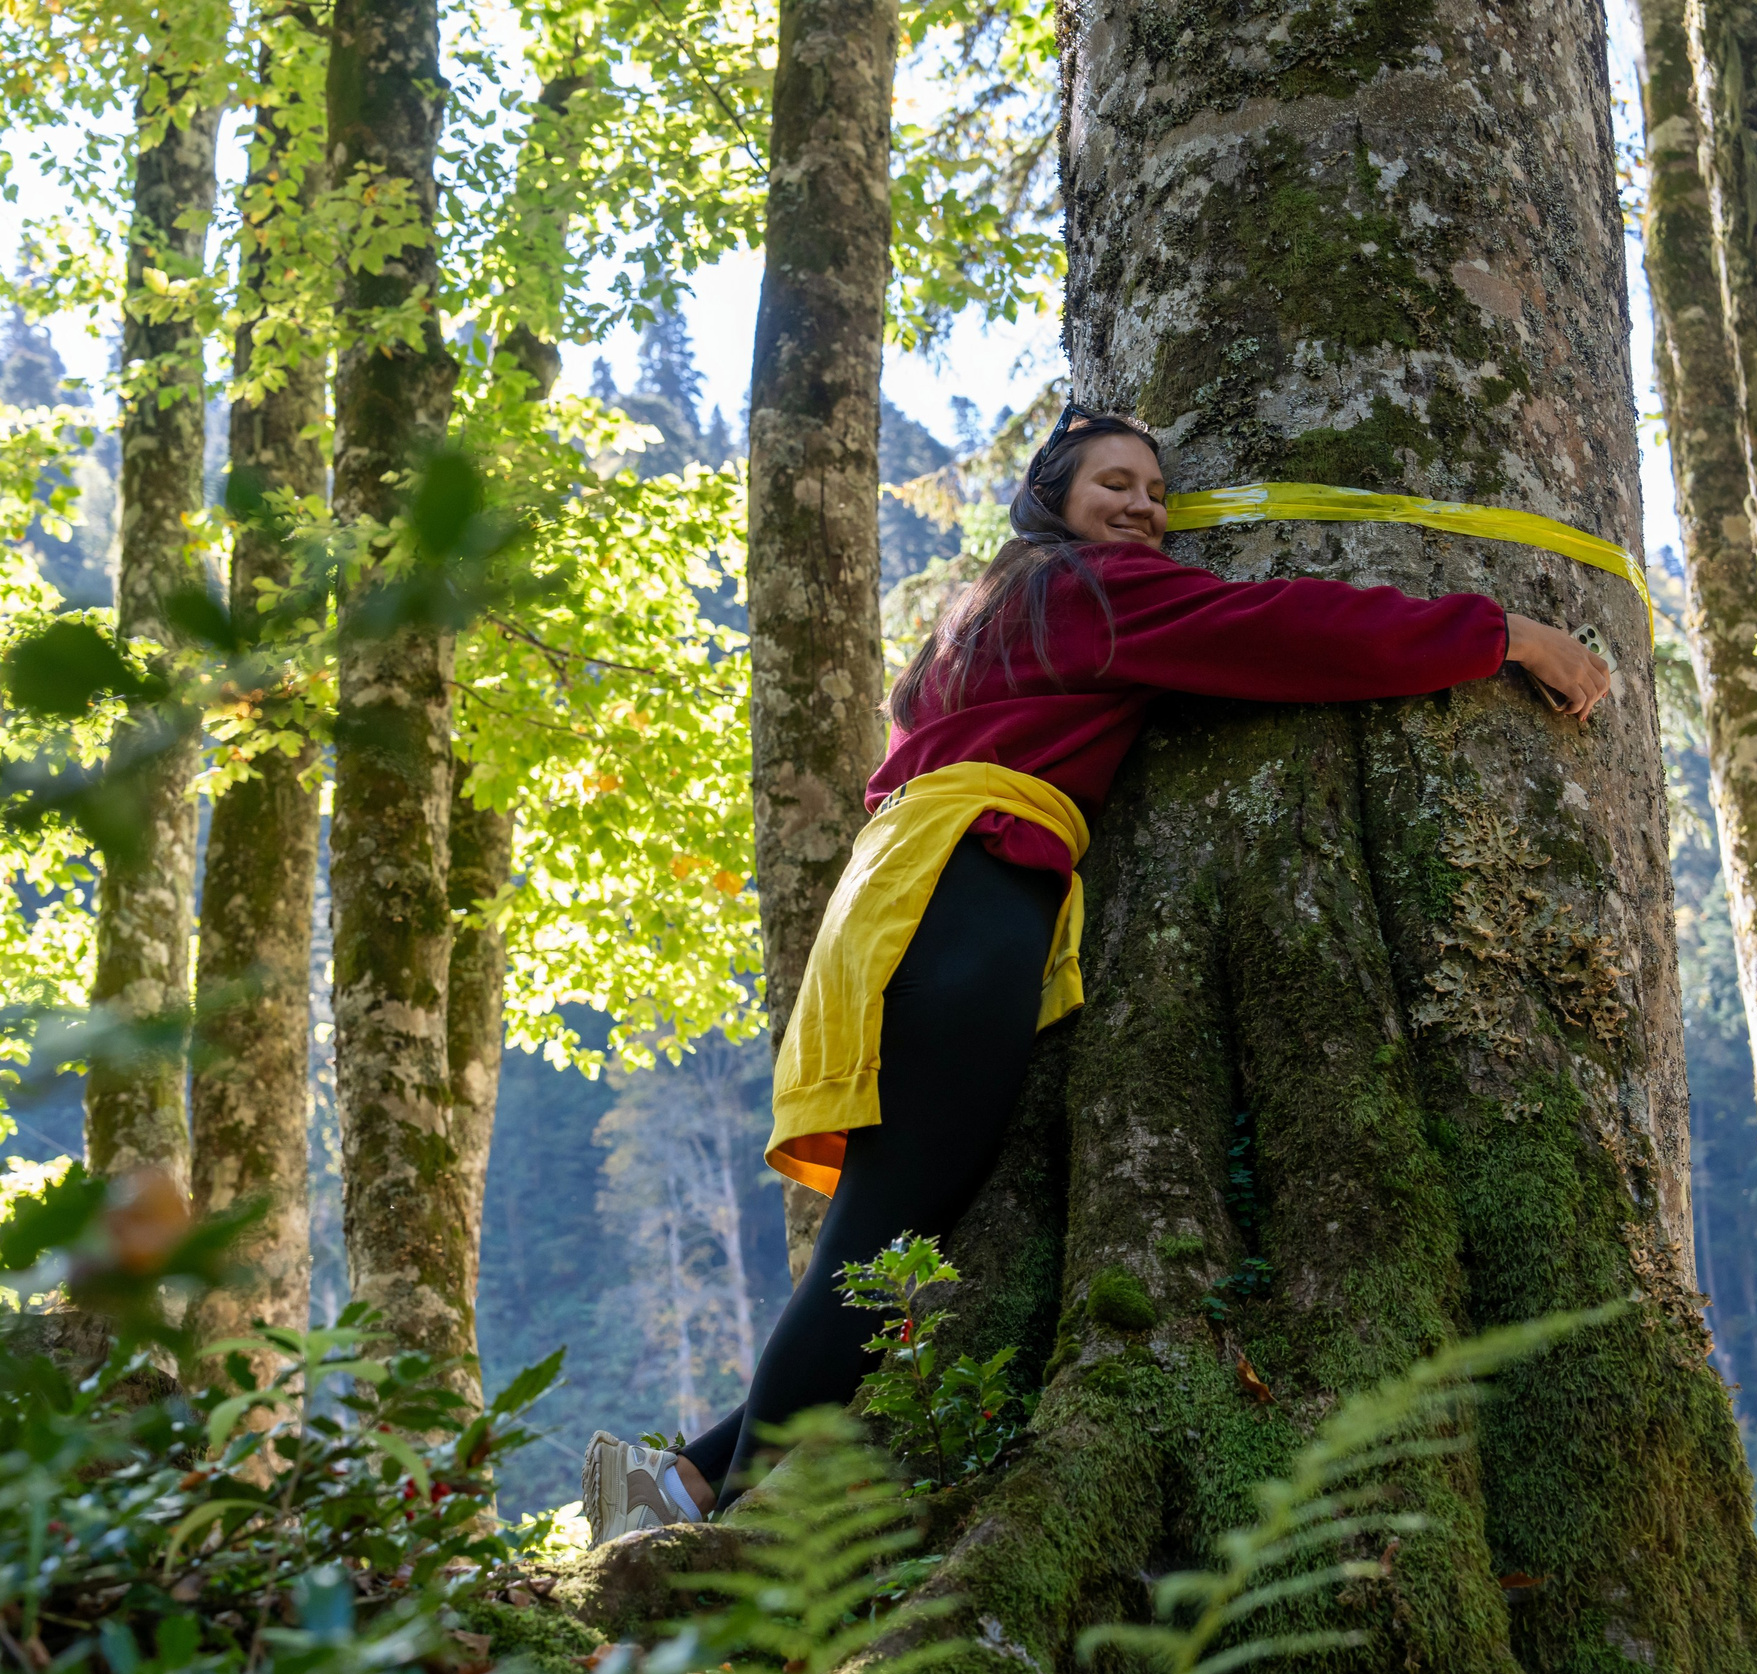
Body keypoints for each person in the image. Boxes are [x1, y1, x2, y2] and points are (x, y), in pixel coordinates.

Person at [580, 406, 1611, 1541]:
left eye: (1157, 493)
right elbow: (1285, 628)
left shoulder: (976, 618)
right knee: (885, 1243)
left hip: (912, 897)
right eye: (1113, 483)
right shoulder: (1089, 593)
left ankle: (675, 1485)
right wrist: (1503, 634)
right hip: (963, 900)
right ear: (1052, 499)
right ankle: (703, 1526)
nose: (1142, 507)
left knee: (916, 1226)